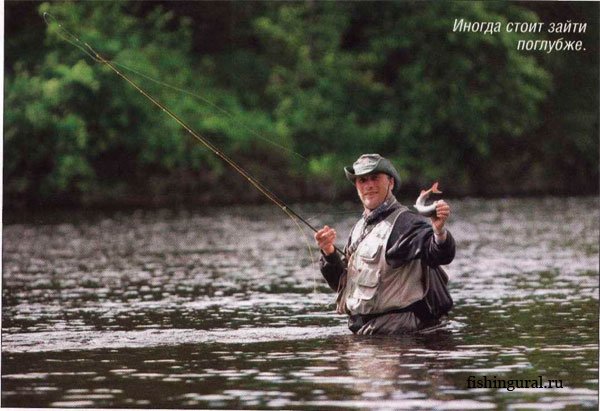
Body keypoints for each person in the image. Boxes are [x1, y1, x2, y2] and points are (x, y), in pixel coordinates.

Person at [314, 154, 456, 335]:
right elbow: (342, 285)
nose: (369, 185)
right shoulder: (358, 228)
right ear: (356, 186)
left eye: (375, 178)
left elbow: (439, 255)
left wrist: (439, 231)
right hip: (366, 336)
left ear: (391, 182)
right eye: (362, 180)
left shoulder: (407, 223)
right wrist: (328, 252)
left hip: (397, 336)